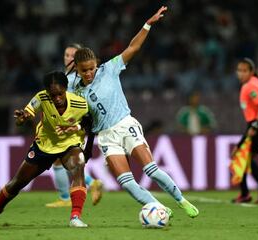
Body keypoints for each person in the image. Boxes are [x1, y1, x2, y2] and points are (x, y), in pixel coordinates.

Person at [68, 6, 199, 218]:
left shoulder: (109, 69)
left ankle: (181, 200)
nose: (89, 73)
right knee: (126, 183)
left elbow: (133, 47)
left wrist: (148, 24)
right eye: (84, 70)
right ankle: (159, 209)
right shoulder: (74, 89)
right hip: (106, 136)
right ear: (77, 70)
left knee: (151, 170)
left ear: (96, 64)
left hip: (125, 124)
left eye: (92, 68)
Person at [0, 71, 90, 227]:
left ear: (66, 89)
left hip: (69, 144)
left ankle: (75, 217)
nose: (57, 98)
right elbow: (25, 116)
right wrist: (22, 118)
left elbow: (89, 122)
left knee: (79, 164)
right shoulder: (41, 97)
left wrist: (83, 140)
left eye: (60, 94)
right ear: (47, 93)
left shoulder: (80, 103)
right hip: (44, 145)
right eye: (53, 95)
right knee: (16, 184)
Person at [45, 43, 103, 208]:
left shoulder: (72, 80)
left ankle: (67, 197)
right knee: (61, 159)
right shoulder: (69, 77)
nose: (69, 58)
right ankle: (89, 184)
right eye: (66, 55)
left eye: (73, 56)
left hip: (72, 123)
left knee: (59, 159)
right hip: (76, 123)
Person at [232, 58, 258, 204]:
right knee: (245, 158)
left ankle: (246, 193)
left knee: (240, 155)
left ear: (252, 72)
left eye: (244, 70)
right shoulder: (250, 84)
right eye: (239, 70)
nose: (241, 73)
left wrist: (255, 126)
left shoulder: (251, 85)